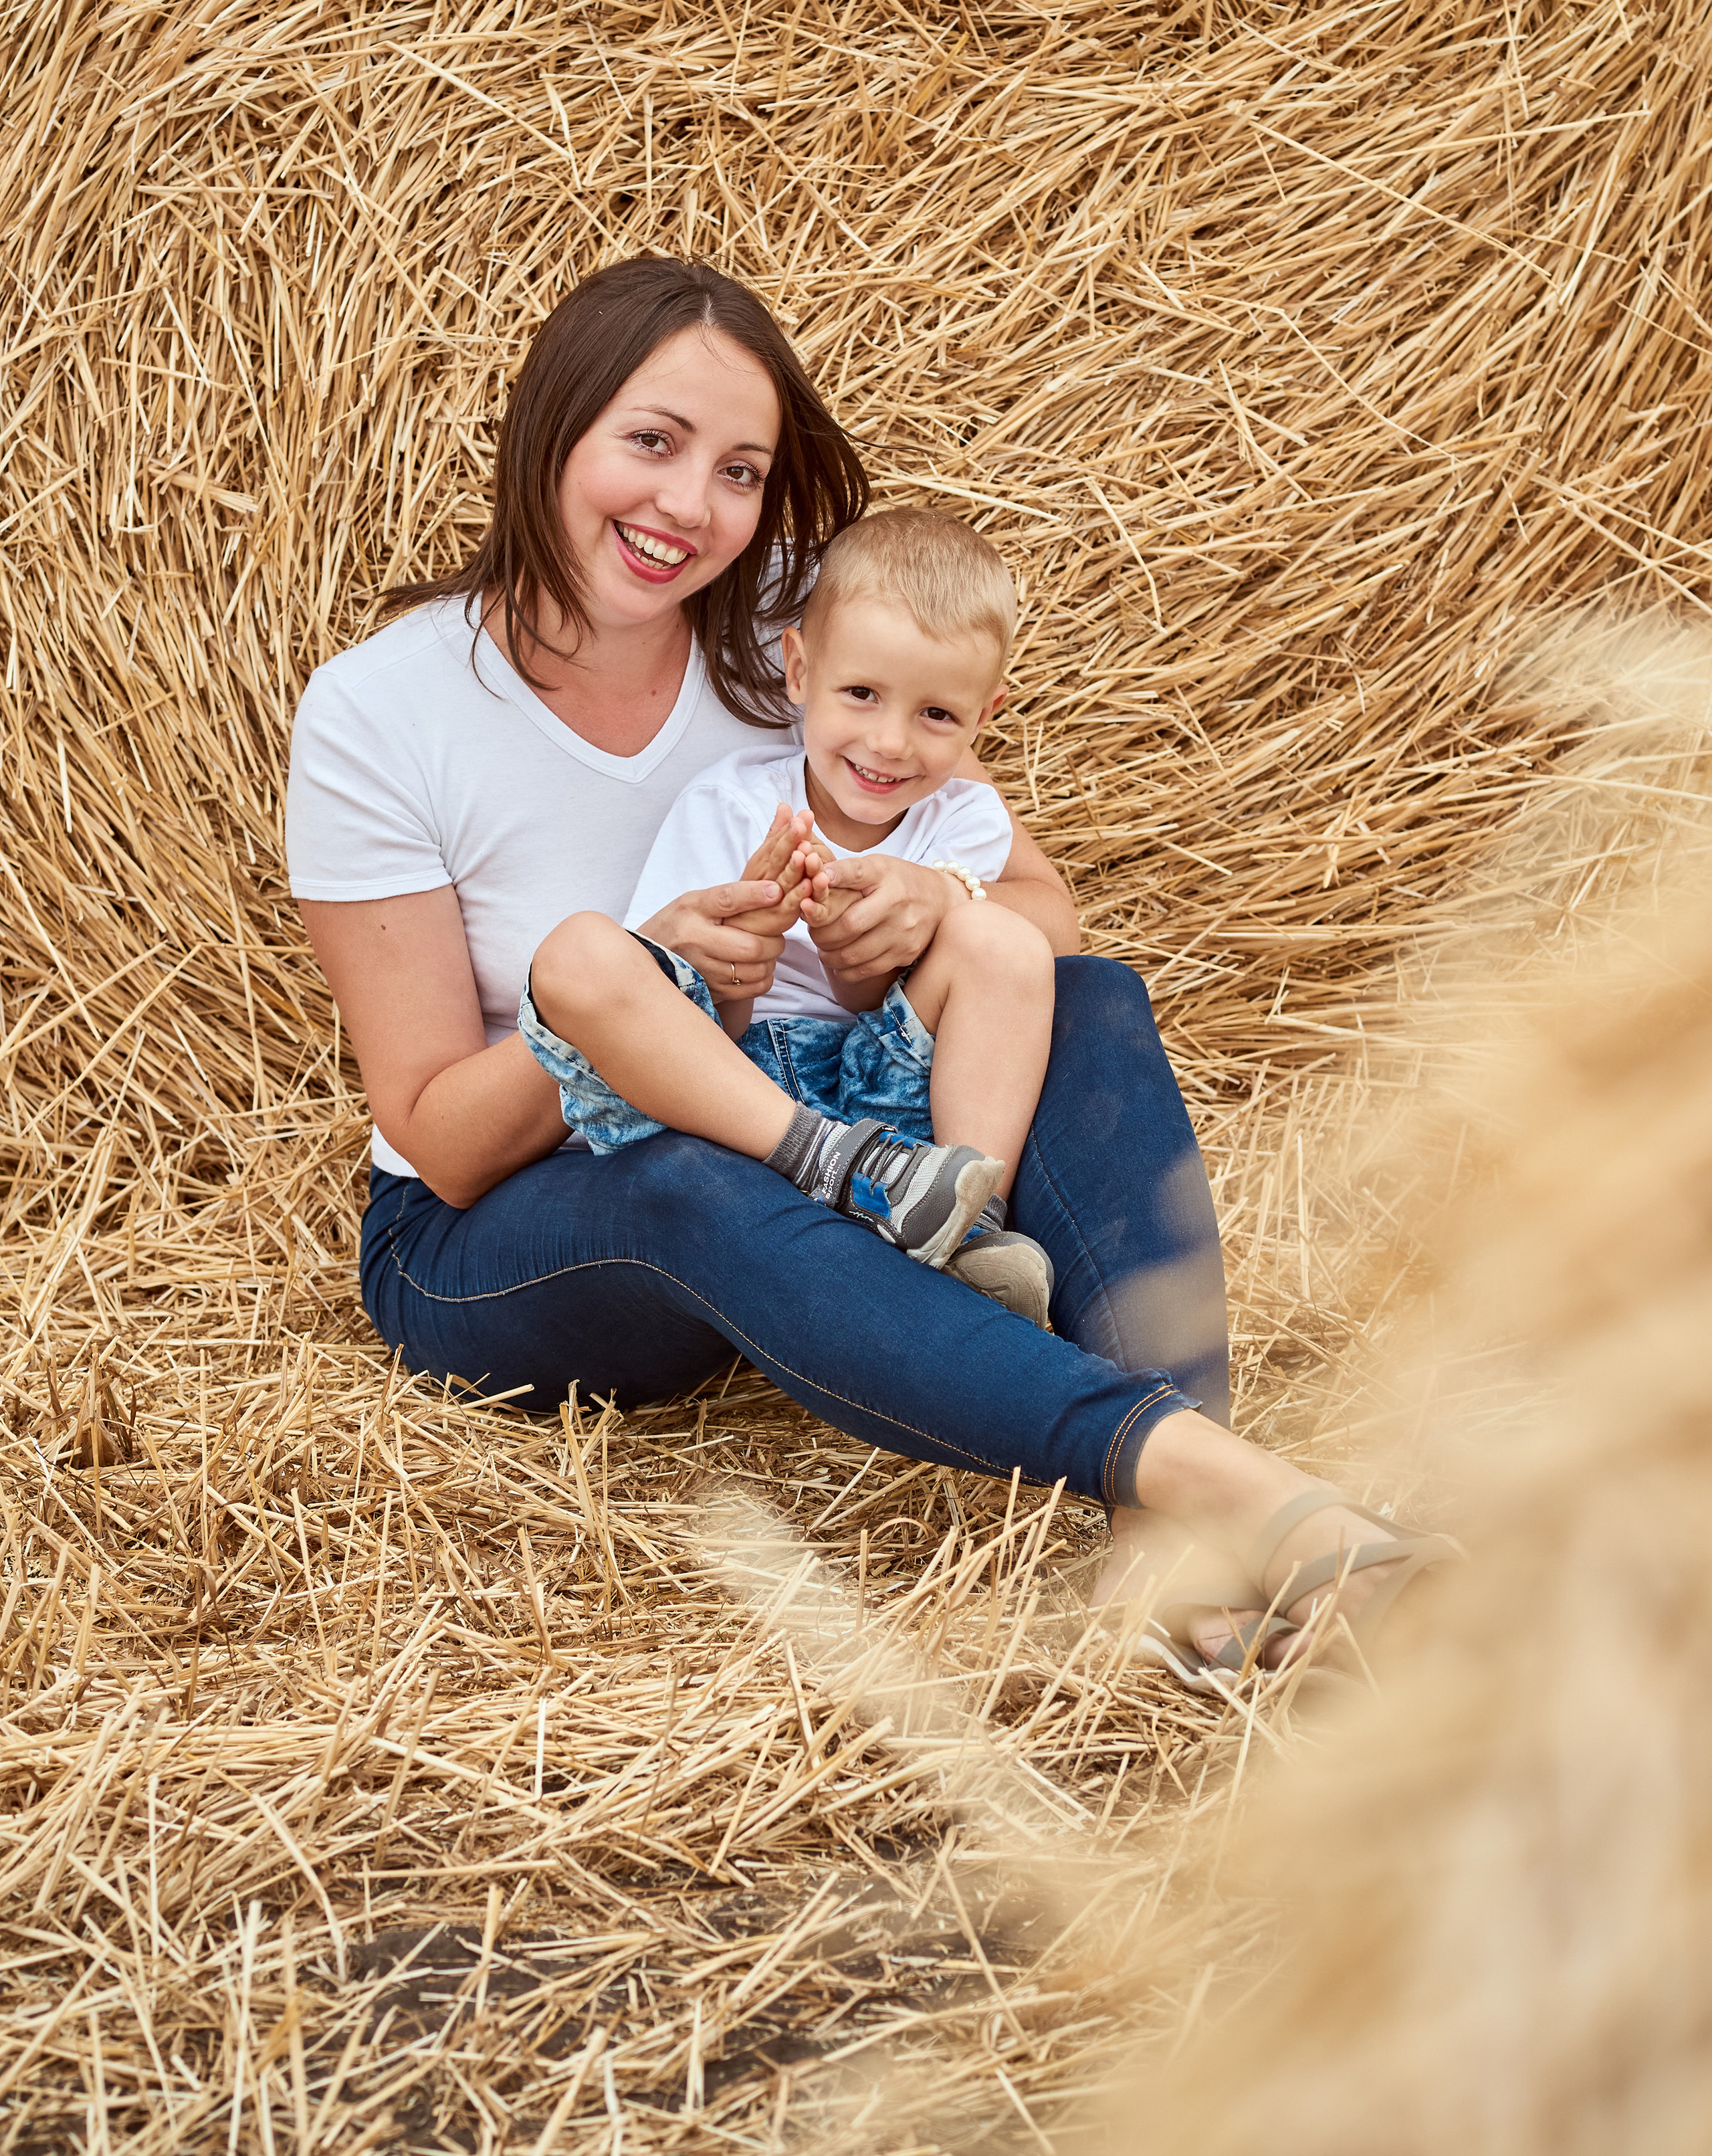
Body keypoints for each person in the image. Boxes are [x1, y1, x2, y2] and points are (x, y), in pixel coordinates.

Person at [286, 253, 1448, 1685]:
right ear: (553, 426)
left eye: (738, 471)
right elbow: (439, 1142)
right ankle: (1233, 1494)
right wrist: (649, 990)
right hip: (511, 1240)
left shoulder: (791, 628)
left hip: (825, 1142)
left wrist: (920, 902)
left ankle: (1184, 1577)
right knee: (682, 1176)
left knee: (1090, 1000)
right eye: (648, 442)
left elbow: (1038, 918)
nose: (684, 508)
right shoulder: (382, 712)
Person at [517, 506, 1059, 1325]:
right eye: (862, 694)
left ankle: (963, 1220)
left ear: (985, 717)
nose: (890, 743)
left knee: (1003, 937)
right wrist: (745, 956)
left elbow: (932, 989)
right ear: (798, 672)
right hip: (737, 1103)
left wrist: (900, 934)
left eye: (937, 715)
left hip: (887, 1089)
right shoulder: (731, 803)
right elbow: (684, 1014)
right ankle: (846, 1170)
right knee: (581, 957)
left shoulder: (965, 821)